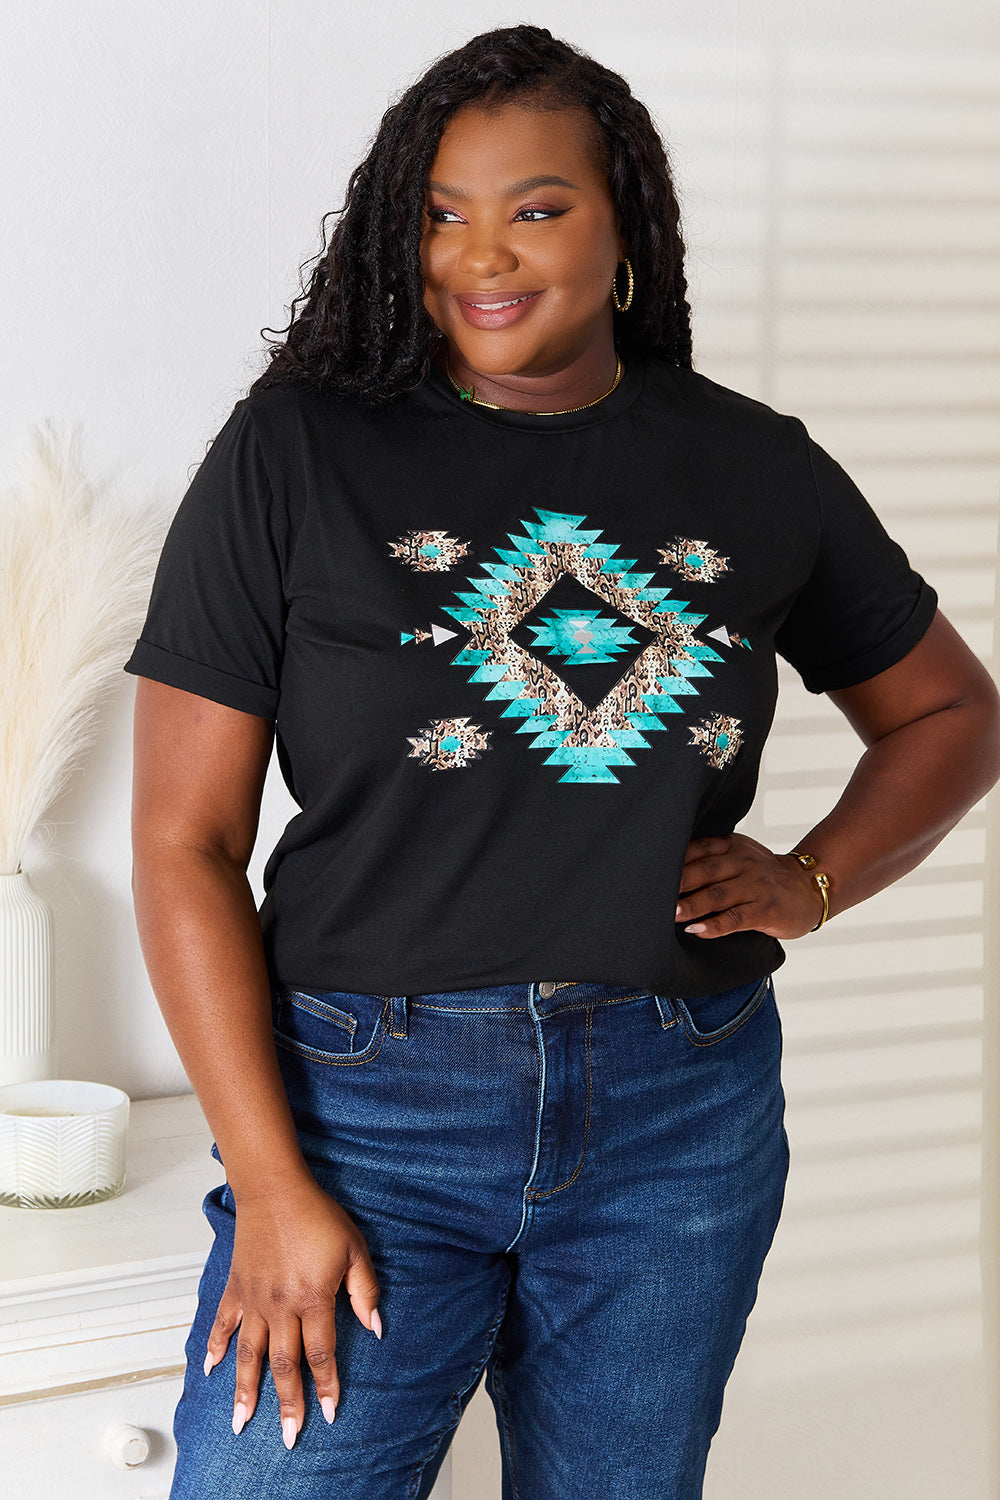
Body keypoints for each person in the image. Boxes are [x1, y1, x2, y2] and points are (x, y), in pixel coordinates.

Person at [125, 24, 1000, 1500]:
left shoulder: (753, 465)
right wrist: (272, 1188)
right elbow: (181, 845)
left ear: (628, 230)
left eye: (537, 207)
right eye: (440, 214)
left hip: (682, 1111)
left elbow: (950, 712)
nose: (485, 254)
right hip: (367, 1112)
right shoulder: (295, 455)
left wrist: (816, 881)